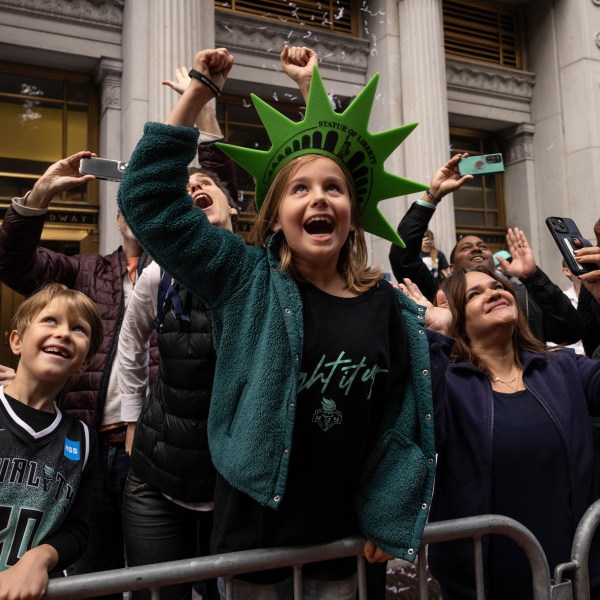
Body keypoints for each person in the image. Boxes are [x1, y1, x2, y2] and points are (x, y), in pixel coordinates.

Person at [117, 47, 435, 599]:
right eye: (300, 188)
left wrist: (390, 509)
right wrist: (198, 93)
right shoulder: (244, 278)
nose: (319, 199)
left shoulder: (388, 307)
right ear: (277, 214)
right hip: (255, 546)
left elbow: (400, 419)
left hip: (348, 550)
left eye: (333, 188)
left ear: (353, 213)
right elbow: (146, 200)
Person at [0, 153, 157, 599]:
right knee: (91, 577)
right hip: (80, 448)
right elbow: (12, 261)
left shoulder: (178, 276)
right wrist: (41, 193)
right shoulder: (85, 270)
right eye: (127, 198)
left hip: (147, 450)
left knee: (151, 578)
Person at [400, 268, 600, 599]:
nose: (494, 292)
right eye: (475, 294)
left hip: (577, 578)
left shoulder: (564, 368)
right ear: (456, 316)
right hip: (484, 585)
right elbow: (419, 430)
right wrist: (436, 338)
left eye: (498, 286)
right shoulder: (448, 384)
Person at [118, 67, 239, 600]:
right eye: (185, 189)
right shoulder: (154, 274)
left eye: (205, 184)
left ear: (234, 203)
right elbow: (128, 347)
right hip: (156, 476)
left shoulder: (263, 272)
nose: (195, 189)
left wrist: (207, 106)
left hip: (232, 488)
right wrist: (128, 420)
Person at [389, 153, 583, 345]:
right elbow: (403, 256)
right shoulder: (442, 296)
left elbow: (570, 331)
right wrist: (432, 196)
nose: (476, 249)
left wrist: (533, 276)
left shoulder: (522, 295)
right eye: (466, 247)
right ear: (453, 267)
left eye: (483, 246)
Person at [0, 283, 102, 600]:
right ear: (17, 340)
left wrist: (40, 557)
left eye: (78, 329)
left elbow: (77, 530)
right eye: (50, 321)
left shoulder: (83, 440)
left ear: (84, 362)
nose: (63, 333)